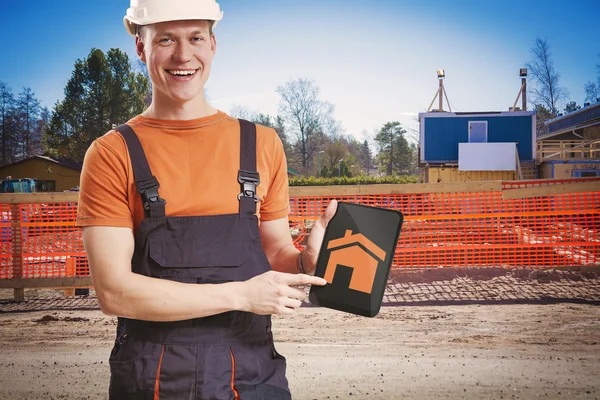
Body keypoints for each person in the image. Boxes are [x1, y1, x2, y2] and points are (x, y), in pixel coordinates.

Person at [76, 0, 337, 398]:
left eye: (195, 37)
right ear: (141, 47)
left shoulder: (261, 145)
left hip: (252, 374)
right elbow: (113, 292)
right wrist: (240, 295)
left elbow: (275, 253)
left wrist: (307, 260)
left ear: (212, 43)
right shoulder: (113, 154)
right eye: (165, 39)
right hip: (152, 378)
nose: (183, 55)